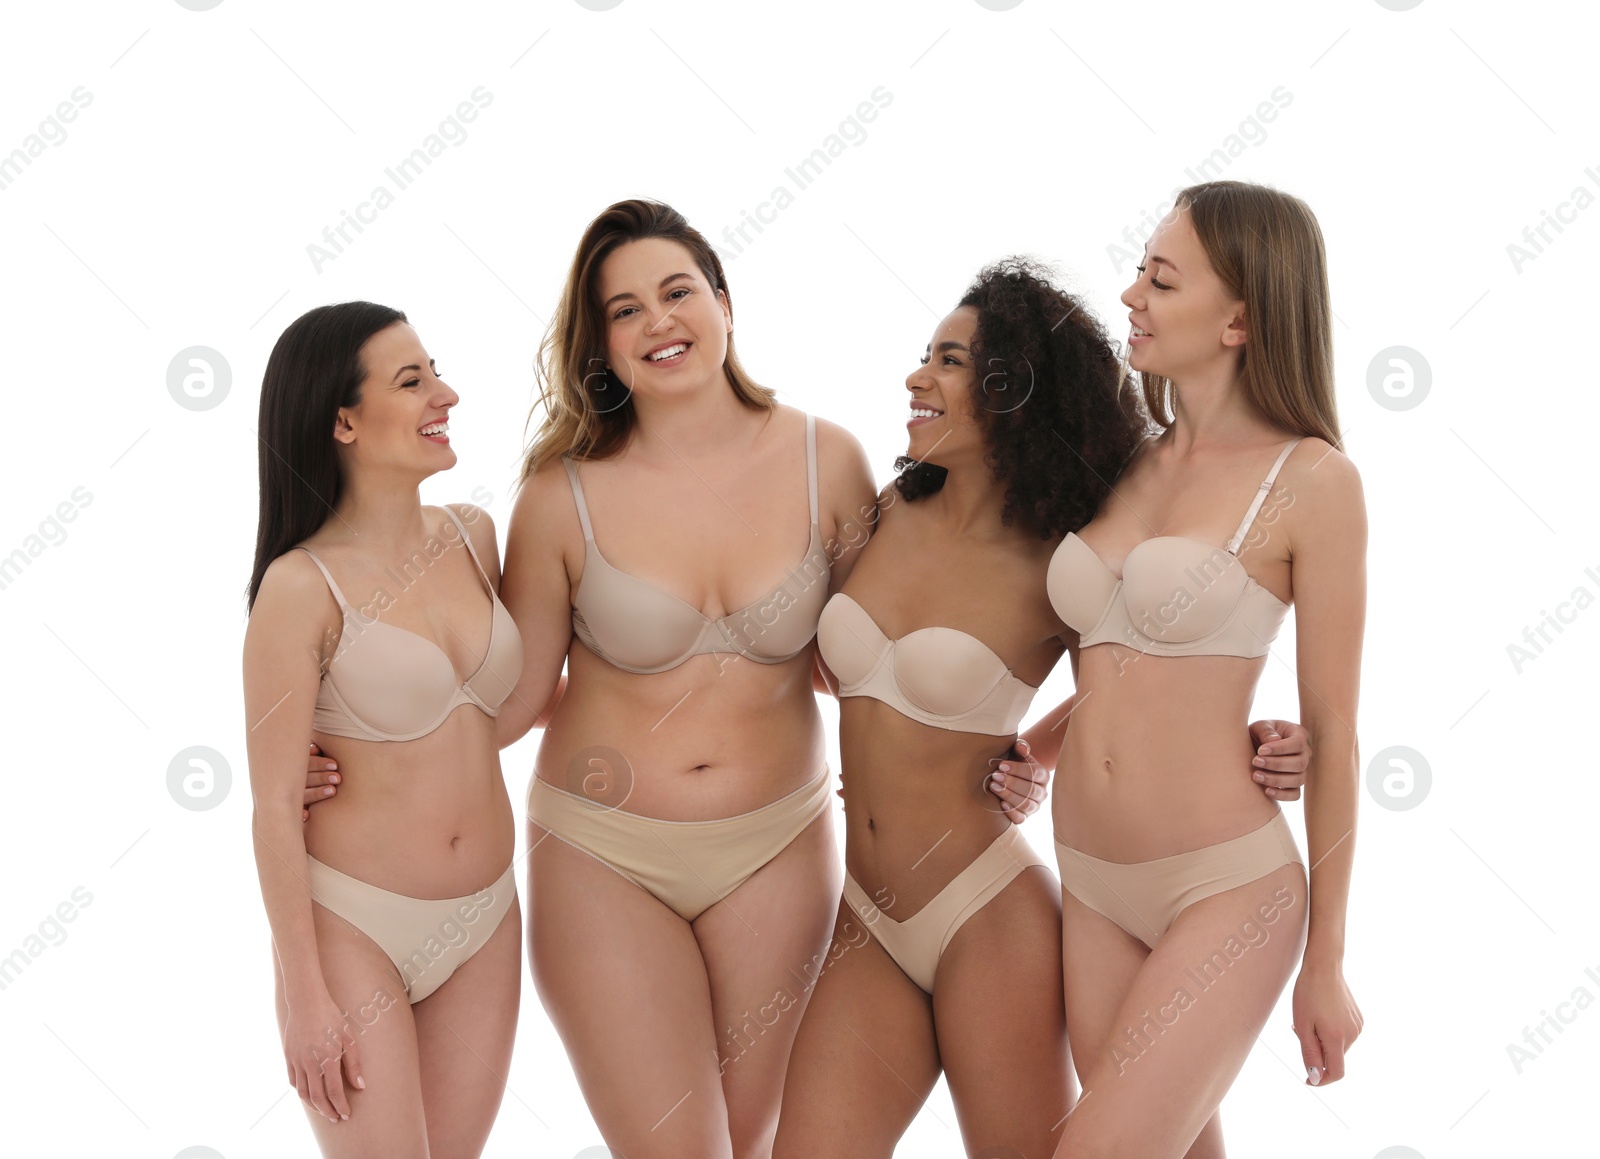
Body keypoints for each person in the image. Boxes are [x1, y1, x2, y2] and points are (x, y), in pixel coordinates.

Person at [774, 260, 1313, 1158]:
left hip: (986, 919)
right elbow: (839, 673)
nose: (918, 377)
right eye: (925, 355)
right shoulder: (886, 512)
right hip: (866, 916)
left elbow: (1132, 678)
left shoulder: (1056, 554)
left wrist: (1251, 738)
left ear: (1012, 390)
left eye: (949, 361)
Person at [1038, 181, 1365, 1159]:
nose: (1130, 295)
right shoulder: (1121, 458)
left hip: (1223, 886)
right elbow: (1115, 660)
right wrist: (1037, 743)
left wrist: (1328, 961)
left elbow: (1337, 734)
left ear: (1240, 317)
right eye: (1138, 270)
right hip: (1090, 881)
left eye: (1161, 278)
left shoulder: (1310, 481)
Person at [244, 303, 523, 1157]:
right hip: (355, 928)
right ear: (342, 419)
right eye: (414, 381)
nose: (448, 393)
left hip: (485, 919)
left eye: (435, 369)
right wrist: (303, 993)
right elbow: (272, 807)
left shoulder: (474, 537)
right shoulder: (299, 587)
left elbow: (489, 716)